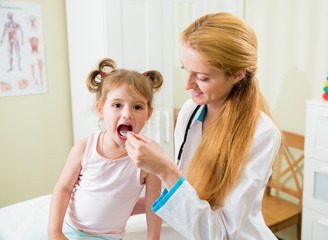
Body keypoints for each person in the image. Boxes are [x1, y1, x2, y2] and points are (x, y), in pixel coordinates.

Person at [125, 12, 281, 239]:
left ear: (237, 75)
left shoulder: (262, 134)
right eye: (184, 70)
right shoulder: (192, 111)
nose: (187, 84)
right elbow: (188, 195)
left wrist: (166, 170)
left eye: (202, 77)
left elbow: (222, 233)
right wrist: (126, 205)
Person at [48, 58, 163, 240]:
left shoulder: (149, 159)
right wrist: (55, 232)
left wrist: (153, 238)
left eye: (137, 107)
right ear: (101, 109)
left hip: (109, 237)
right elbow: (63, 189)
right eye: (117, 105)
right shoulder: (84, 148)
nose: (127, 114)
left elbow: (153, 203)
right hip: (70, 230)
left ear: (148, 114)